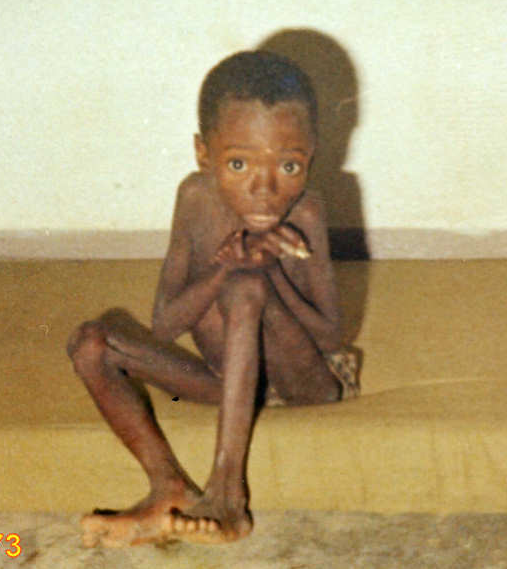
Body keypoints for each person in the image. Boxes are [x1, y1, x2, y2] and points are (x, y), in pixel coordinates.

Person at [67, 50, 359, 547]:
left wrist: (268, 272)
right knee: (90, 343)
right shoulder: (195, 199)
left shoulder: (307, 212)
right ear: (204, 154)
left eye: (289, 165)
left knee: (247, 286)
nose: (264, 189)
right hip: (228, 380)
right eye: (238, 164)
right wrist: (224, 265)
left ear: (312, 154)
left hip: (303, 380)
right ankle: (168, 485)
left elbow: (331, 337)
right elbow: (165, 325)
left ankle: (227, 493)